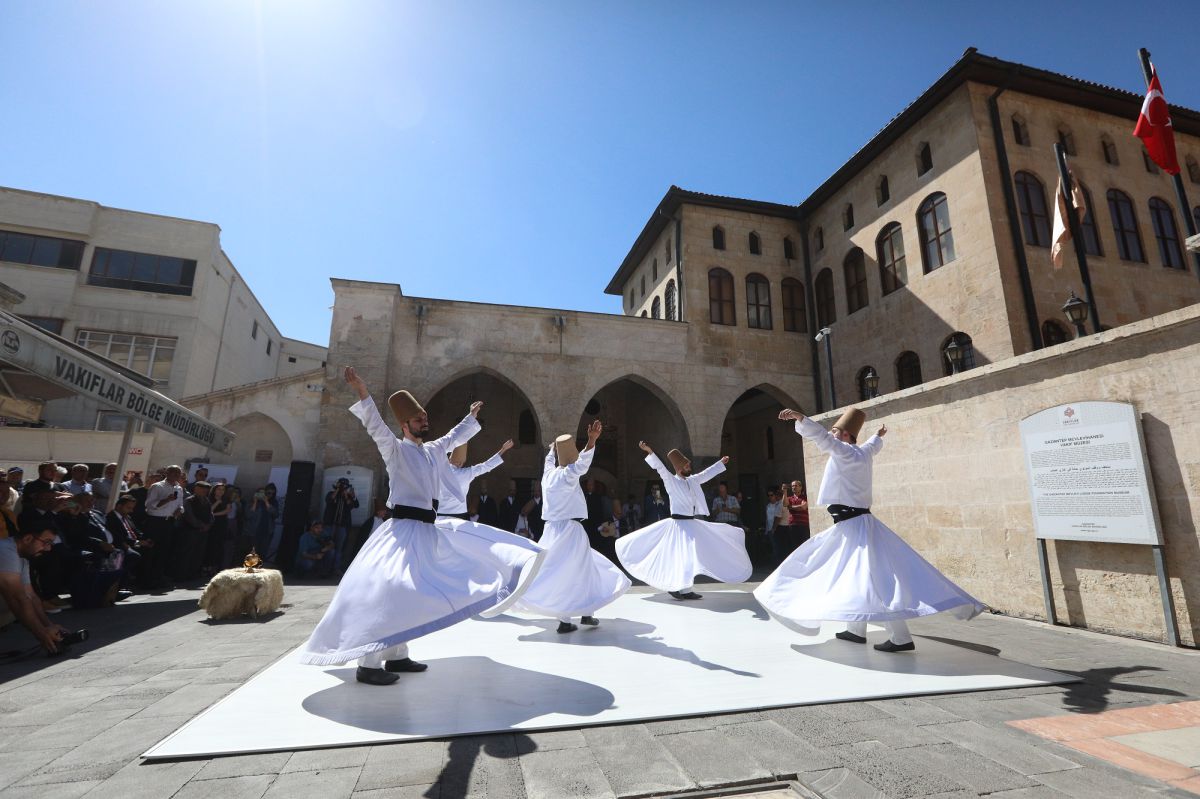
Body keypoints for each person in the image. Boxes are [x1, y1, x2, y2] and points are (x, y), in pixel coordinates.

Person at [298, 367, 544, 686]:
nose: (424, 422)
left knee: (413, 592)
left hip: (427, 531)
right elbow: (374, 426)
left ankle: (397, 653)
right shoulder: (395, 449)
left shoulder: (432, 451)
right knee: (389, 589)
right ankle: (368, 661)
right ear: (405, 425)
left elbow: (454, 437)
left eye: (425, 418)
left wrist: (470, 418)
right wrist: (361, 389)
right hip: (402, 530)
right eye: (418, 420)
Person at [755, 408, 984, 652]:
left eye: (835, 431)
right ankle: (856, 630)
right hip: (856, 524)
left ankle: (900, 637)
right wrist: (878, 434)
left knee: (870, 577)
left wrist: (800, 418)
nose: (831, 435)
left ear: (844, 436)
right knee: (861, 575)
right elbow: (873, 445)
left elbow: (821, 438)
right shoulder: (863, 452)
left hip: (853, 526)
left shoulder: (843, 452)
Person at [512, 422, 631, 633]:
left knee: (558, 572)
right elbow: (582, 464)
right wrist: (592, 440)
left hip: (551, 530)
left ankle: (567, 619)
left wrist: (551, 450)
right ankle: (585, 613)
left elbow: (548, 463)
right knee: (582, 570)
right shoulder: (568, 475)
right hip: (570, 529)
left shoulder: (548, 476)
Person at [616, 443, 751, 601]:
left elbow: (706, 474)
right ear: (680, 468)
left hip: (691, 524)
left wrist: (720, 463)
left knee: (689, 558)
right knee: (680, 558)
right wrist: (650, 452)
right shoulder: (671, 481)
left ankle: (686, 590)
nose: (689, 467)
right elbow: (660, 468)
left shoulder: (692, 480)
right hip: (678, 525)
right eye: (686, 465)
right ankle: (674, 587)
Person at [0, 526, 70, 654]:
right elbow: (17, 598)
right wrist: (41, 634)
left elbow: (31, 596)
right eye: (46, 542)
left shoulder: (23, 555)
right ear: (27, 538)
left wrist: (49, 626)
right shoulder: (5, 550)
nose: (48, 548)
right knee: (13, 599)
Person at [143, 466, 185, 589]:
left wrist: (180, 511)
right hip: (155, 522)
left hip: (169, 522)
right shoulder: (157, 486)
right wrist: (166, 500)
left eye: (178, 473)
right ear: (167, 473)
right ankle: (146, 580)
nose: (175, 475)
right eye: (172, 472)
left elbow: (181, 505)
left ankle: (157, 578)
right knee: (150, 551)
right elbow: (149, 506)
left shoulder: (179, 488)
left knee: (163, 552)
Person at [178, 481, 214, 581]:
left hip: (203, 532)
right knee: (187, 553)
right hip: (190, 531)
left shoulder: (207, 501)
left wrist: (209, 525)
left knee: (198, 553)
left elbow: (211, 515)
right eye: (201, 488)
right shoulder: (189, 500)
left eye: (205, 489)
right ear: (196, 489)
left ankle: (192, 574)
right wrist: (200, 525)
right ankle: (182, 575)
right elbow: (189, 516)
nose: (203, 491)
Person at [322, 478, 360, 573]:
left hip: (342, 525)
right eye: (341, 485)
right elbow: (329, 500)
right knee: (327, 545)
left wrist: (348, 495)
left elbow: (355, 505)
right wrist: (338, 490)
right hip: (330, 524)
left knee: (339, 547)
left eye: (344, 485)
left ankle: (336, 568)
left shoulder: (348, 496)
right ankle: (325, 568)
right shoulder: (331, 493)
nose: (343, 487)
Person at [204, 483, 233, 576]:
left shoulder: (226, 499)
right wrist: (217, 502)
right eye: (219, 489)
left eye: (222, 490)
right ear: (214, 490)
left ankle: (214, 567)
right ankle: (205, 566)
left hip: (221, 524)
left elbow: (227, 510)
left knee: (218, 546)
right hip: (211, 525)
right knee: (209, 545)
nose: (221, 491)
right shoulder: (209, 498)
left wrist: (214, 515)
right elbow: (209, 510)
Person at [246, 485, 279, 562]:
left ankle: (258, 570)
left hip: (267, 532)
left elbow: (276, 514)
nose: (269, 495)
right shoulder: (253, 501)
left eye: (272, 494)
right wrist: (255, 502)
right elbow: (248, 515)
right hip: (254, 531)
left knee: (262, 553)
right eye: (268, 493)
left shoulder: (273, 502)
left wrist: (266, 502)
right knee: (252, 553)